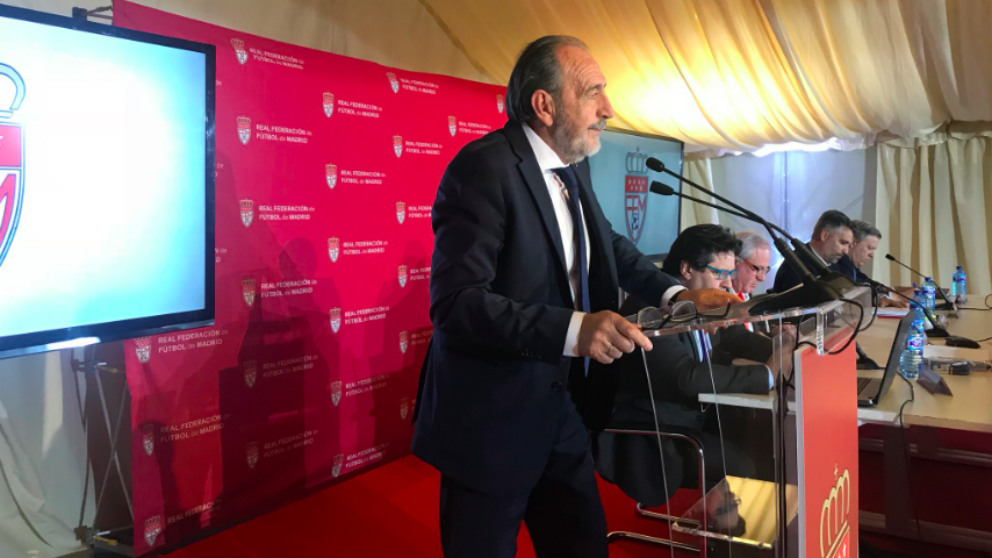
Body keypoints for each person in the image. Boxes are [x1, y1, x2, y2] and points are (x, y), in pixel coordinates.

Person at [410, 36, 738, 557]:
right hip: (493, 418)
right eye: (593, 93)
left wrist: (679, 294)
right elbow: (456, 304)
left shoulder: (574, 166)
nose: (608, 109)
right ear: (544, 104)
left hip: (564, 407)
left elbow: (608, 245)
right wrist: (574, 330)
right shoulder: (484, 169)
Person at [594, 224, 794, 507]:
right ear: (687, 270)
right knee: (745, 463)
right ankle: (722, 538)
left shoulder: (697, 298)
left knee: (766, 438)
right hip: (657, 434)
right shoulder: (650, 309)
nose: (726, 284)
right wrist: (767, 374)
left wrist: (786, 345)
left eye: (730, 274)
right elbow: (685, 377)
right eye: (719, 274)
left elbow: (733, 336)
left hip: (692, 417)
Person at [772, 209, 853, 293]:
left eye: (849, 246)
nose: (846, 251)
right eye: (843, 243)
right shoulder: (795, 267)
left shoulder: (834, 265)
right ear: (824, 236)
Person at [731, 229, 771, 300]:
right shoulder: (716, 300)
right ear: (735, 261)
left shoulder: (746, 295)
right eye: (758, 268)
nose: (762, 278)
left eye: (766, 270)